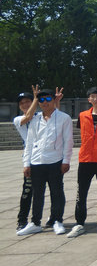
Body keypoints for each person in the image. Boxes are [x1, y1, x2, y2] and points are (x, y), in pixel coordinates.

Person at [18, 88, 73, 236]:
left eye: (48, 99)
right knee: (38, 194)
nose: (44, 103)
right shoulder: (35, 119)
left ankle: (57, 220)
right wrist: (26, 163)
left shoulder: (64, 118)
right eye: (41, 100)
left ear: (54, 100)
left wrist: (66, 160)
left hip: (55, 161)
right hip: (37, 162)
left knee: (56, 192)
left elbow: (68, 141)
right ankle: (35, 222)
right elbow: (29, 142)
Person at [68, 86, 97, 238]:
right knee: (81, 193)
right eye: (92, 96)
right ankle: (79, 223)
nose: (95, 99)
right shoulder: (82, 116)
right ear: (88, 99)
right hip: (86, 160)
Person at [14, 88, 40, 231]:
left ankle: (49, 218)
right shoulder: (18, 120)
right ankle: (22, 219)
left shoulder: (41, 116)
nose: (25, 105)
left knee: (48, 190)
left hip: (44, 158)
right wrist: (36, 98)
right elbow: (28, 117)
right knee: (27, 191)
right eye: (22, 103)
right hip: (30, 159)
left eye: (28, 102)